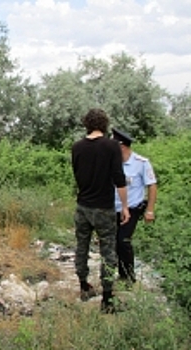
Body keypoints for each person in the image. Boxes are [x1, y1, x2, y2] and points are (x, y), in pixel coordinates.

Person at [71, 108, 130, 313]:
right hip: (104, 207)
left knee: (82, 246)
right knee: (107, 252)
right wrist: (124, 206)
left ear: (86, 124)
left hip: (83, 206)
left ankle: (83, 285)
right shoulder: (112, 146)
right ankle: (106, 299)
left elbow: (77, 175)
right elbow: (119, 178)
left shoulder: (77, 147)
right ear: (104, 124)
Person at [112, 128, 157, 286]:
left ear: (122, 146)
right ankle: (119, 274)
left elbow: (151, 186)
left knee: (123, 241)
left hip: (131, 209)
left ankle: (129, 277)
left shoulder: (141, 163)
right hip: (112, 209)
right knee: (113, 243)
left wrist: (150, 210)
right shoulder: (112, 163)